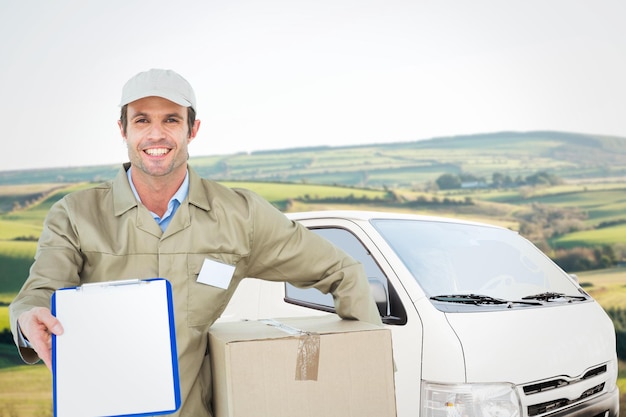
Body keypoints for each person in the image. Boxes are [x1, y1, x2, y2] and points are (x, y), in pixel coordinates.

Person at [9, 68, 382, 416]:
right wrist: (28, 319)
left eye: (171, 119)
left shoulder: (242, 216)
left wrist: (368, 375)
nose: (156, 134)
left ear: (192, 129)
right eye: (142, 120)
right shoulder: (75, 214)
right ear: (123, 130)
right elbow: (39, 292)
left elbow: (343, 271)